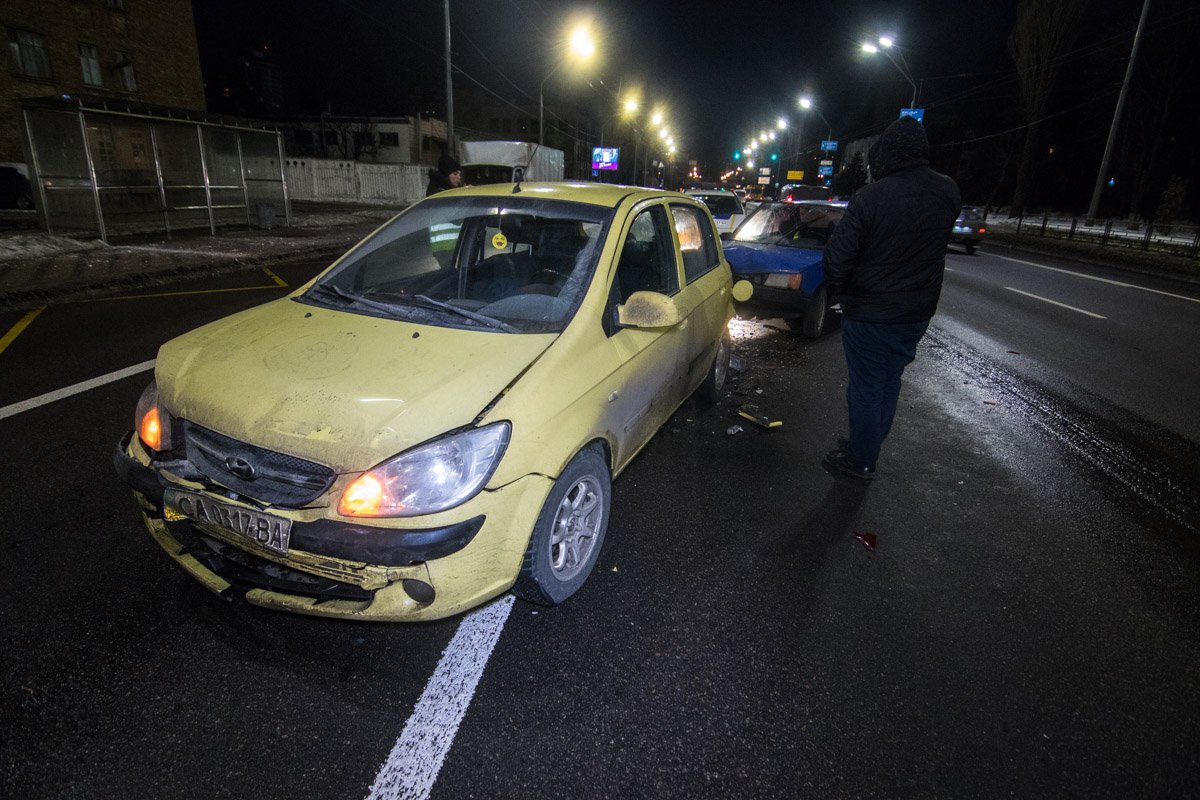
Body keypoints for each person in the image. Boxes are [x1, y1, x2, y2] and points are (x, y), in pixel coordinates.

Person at [820, 115, 962, 480]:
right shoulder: (947, 191)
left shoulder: (871, 198)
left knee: (866, 387)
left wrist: (840, 293)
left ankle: (861, 459)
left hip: (870, 312)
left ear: (885, 156)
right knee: (889, 380)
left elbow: (838, 257)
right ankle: (867, 445)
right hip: (915, 313)